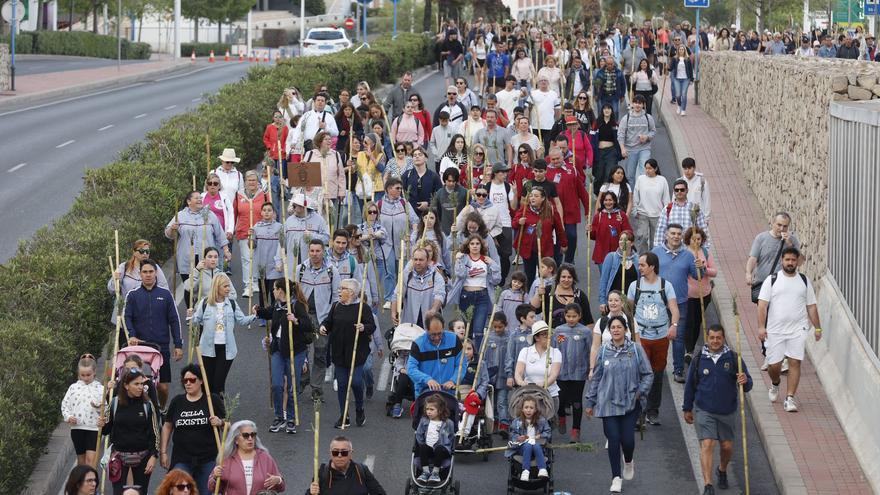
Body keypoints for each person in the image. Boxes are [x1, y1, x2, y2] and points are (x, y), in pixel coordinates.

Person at [585, 315, 653, 494]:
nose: (615, 330)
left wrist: (640, 392)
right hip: (607, 403)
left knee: (628, 441)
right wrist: (590, 401)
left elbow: (648, 374)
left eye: (618, 327)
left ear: (625, 330)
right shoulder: (603, 350)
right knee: (614, 439)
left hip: (630, 402)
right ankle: (616, 477)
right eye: (612, 328)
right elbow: (597, 377)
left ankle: (628, 461)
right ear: (609, 331)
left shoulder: (636, 349)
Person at [683, 324, 753, 495]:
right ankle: (708, 484)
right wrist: (687, 408)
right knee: (707, 443)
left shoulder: (733, 359)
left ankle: (722, 469)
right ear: (707, 338)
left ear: (723, 338)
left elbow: (748, 384)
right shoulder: (699, 359)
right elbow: (690, 385)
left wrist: (745, 380)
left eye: (718, 338)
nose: (715, 341)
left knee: (727, 447)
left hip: (727, 411)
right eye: (712, 337)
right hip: (704, 409)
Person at [758, 247, 821, 413]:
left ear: (797, 261)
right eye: (787, 260)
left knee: (795, 362)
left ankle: (790, 398)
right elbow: (762, 306)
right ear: (782, 261)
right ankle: (775, 383)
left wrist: (817, 327)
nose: (790, 263)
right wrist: (761, 327)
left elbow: (812, 306)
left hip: (798, 329)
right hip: (775, 330)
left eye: (793, 260)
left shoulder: (804, 281)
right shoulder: (771, 280)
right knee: (774, 366)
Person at [255, 279, 313, 434]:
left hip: (295, 351)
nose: (272, 291)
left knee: (292, 387)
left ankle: (291, 418)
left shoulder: (296, 306)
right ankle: (279, 417)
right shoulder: (277, 305)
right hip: (278, 349)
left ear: (280, 290)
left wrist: (295, 320)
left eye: (274, 289)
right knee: (277, 385)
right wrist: (258, 310)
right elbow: (268, 313)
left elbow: (308, 326)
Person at [627, 252, 679, 425]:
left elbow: (674, 309)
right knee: (640, 374)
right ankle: (638, 411)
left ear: (652, 267)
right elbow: (628, 310)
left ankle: (653, 410)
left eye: (642, 265)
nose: (639, 267)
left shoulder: (666, 286)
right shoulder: (635, 286)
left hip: (660, 336)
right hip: (641, 337)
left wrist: (674, 326)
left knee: (657, 374)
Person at [124, 259, 183, 407]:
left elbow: (174, 320)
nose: (148, 275)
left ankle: (161, 409)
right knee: (140, 385)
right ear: (140, 274)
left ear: (156, 273)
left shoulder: (166, 295)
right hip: (139, 348)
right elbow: (127, 317)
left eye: (151, 271)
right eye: (145, 272)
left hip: (160, 348)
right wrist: (131, 334)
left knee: (162, 387)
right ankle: (143, 413)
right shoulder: (132, 295)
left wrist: (178, 344)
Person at [160, 364, 225, 495]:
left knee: (207, 491)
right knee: (178, 490)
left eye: (192, 380)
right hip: (182, 458)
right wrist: (163, 452)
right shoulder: (177, 401)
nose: (188, 383)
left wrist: (220, 422)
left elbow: (228, 425)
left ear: (201, 381)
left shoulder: (213, 400)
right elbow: (167, 426)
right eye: (185, 381)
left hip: (208, 458)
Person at [189, 273, 257, 395]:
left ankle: (220, 412)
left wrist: (255, 315)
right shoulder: (205, 303)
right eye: (225, 286)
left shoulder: (232, 303)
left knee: (218, 384)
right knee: (207, 384)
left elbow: (242, 320)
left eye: (228, 286)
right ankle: (209, 412)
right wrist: (190, 315)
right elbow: (196, 320)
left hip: (226, 350)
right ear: (217, 287)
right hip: (207, 349)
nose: (228, 289)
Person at [98, 368, 160, 495]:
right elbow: (106, 430)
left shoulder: (147, 405)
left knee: (141, 492)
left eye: (142, 384)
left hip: (143, 456)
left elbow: (155, 432)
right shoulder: (114, 403)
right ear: (126, 385)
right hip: (119, 456)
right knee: (118, 493)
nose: (140, 387)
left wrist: (154, 456)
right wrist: (101, 424)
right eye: (136, 384)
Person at [653, 224, 702, 383]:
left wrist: (699, 267)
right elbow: (646, 274)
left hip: (680, 302)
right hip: (658, 302)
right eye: (672, 233)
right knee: (656, 335)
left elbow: (697, 276)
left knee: (678, 337)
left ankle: (678, 370)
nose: (675, 236)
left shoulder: (688, 255)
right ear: (666, 235)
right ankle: (653, 368)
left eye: (678, 234)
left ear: (682, 237)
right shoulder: (655, 253)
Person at [166, 191, 231, 305]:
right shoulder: (180, 215)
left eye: (200, 198)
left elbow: (220, 234)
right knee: (189, 286)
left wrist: (226, 250)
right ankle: (191, 314)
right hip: (186, 258)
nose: (200, 199)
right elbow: (169, 235)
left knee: (207, 285)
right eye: (196, 198)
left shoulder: (209, 214)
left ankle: (205, 311)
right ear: (189, 201)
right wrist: (172, 228)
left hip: (206, 257)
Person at [208, 421, 285, 495]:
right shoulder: (226, 459)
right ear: (236, 440)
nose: (250, 438)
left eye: (253, 434)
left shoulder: (265, 458)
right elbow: (213, 488)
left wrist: (278, 480)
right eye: (246, 435)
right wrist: (214, 477)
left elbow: (281, 487)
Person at [513, 187, 567, 288]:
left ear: (543, 198)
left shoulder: (550, 210)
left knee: (546, 276)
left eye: (536, 196)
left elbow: (559, 228)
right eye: (531, 196)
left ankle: (546, 297)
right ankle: (529, 297)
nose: (532, 198)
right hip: (528, 250)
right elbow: (514, 224)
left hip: (545, 249)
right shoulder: (525, 209)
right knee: (529, 275)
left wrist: (564, 243)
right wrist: (519, 222)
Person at [108, 239, 169, 325]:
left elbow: (164, 289)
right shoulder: (124, 267)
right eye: (141, 251)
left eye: (147, 251)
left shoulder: (154, 268)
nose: (145, 254)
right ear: (134, 252)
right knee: (125, 338)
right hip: (125, 316)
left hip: (146, 316)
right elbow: (112, 290)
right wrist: (115, 280)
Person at [552, 303, 590, 442]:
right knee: (561, 399)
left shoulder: (585, 332)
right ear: (564, 316)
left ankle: (576, 430)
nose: (571, 319)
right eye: (568, 316)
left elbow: (590, 350)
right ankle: (561, 416)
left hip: (579, 373)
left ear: (579, 316)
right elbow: (554, 349)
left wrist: (590, 368)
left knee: (577, 402)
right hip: (562, 372)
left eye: (574, 316)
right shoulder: (559, 331)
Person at [746, 212, 800, 308]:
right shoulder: (761, 238)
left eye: (785, 226)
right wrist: (748, 273)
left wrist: (789, 245)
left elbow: (800, 262)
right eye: (779, 225)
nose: (781, 229)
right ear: (773, 223)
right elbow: (753, 258)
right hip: (763, 285)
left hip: (784, 287)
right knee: (764, 316)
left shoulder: (792, 240)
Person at [233, 171, 271, 296]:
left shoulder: (263, 194)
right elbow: (234, 213)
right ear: (245, 181)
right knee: (246, 258)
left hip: (261, 231)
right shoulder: (239, 195)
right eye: (249, 180)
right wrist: (232, 229)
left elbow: (270, 210)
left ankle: (256, 282)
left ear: (257, 181)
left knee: (258, 258)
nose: (251, 182)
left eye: (254, 180)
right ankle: (248, 284)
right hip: (244, 231)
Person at [407, 313, 464, 397]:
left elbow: (461, 364)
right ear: (426, 329)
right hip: (426, 390)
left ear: (443, 327)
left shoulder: (454, 339)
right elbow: (411, 369)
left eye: (440, 333)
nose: (437, 337)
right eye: (433, 334)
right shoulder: (418, 344)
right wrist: (427, 380)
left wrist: (453, 380)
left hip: (449, 390)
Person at [61, 354, 103, 467]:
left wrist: (99, 408)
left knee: (91, 461)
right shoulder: (73, 388)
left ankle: (91, 483)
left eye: (88, 375)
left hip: (94, 428)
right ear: (79, 374)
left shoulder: (100, 389)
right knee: (81, 461)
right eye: (82, 375)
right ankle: (81, 483)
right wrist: (69, 417)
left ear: (94, 372)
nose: (85, 378)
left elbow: (106, 409)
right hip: (77, 428)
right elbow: (65, 405)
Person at [308, 436, 387, 494]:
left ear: (351, 453)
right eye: (335, 452)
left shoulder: (362, 470)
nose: (339, 456)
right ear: (330, 453)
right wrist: (310, 493)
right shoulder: (322, 473)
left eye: (344, 452)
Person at [683, 227, 717, 364]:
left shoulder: (705, 252)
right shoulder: (684, 253)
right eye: (693, 239)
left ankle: (693, 346)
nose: (696, 242)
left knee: (698, 321)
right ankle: (688, 350)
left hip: (704, 294)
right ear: (688, 240)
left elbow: (714, 272)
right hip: (689, 295)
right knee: (689, 322)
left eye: (699, 239)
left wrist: (704, 268)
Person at [391, 247, 446, 328]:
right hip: (410, 322)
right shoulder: (406, 275)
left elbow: (439, 295)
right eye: (415, 259)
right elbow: (397, 295)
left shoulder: (436, 276)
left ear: (428, 261)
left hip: (430, 323)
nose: (418, 262)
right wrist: (393, 312)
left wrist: (433, 310)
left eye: (421, 260)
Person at [654, 178, 710, 248]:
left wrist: (706, 249)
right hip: (672, 250)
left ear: (687, 191)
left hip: (690, 249)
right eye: (676, 190)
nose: (679, 192)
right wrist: (658, 248)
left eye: (682, 190)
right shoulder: (667, 209)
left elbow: (703, 230)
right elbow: (661, 230)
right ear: (674, 192)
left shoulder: (694, 208)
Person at [505, 396, 551, 481]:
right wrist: (518, 438)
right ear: (522, 409)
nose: (528, 410)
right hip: (523, 447)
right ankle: (525, 471)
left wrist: (539, 436)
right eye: (526, 407)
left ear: (535, 410)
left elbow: (548, 433)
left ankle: (542, 469)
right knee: (528, 445)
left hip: (538, 446)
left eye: (531, 408)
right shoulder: (517, 422)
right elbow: (512, 434)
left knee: (536, 445)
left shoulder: (542, 421)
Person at [413, 393, 456, 484]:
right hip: (428, 449)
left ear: (440, 410)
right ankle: (425, 472)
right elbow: (419, 433)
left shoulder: (448, 423)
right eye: (427, 409)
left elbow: (451, 436)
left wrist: (448, 446)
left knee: (440, 448)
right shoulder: (424, 420)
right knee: (423, 447)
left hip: (442, 450)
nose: (428, 412)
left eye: (431, 409)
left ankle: (435, 473)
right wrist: (421, 444)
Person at [514, 320, 562, 401]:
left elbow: (554, 375)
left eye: (549, 334)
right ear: (536, 338)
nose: (548, 337)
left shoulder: (555, 352)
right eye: (544, 335)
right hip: (529, 395)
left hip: (549, 395)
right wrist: (521, 383)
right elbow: (518, 373)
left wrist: (543, 384)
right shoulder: (525, 351)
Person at [617, 95, 655, 188]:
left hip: (644, 148)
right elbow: (620, 134)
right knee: (630, 175)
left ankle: (642, 194)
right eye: (636, 103)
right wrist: (622, 149)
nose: (637, 105)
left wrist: (647, 137)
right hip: (630, 149)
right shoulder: (626, 118)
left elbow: (653, 131)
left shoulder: (648, 117)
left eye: (640, 103)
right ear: (632, 104)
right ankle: (632, 196)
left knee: (644, 173)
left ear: (643, 105)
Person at [632, 159, 669, 254]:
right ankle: (642, 258)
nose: (647, 170)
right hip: (643, 213)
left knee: (655, 240)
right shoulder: (641, 179)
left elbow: (666, 198)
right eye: (646, 168)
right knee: (642, 236)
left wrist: (667, 214)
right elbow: (636, 194)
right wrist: (635, 209)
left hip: (657, 215)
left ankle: (654, 258)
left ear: (655, 169)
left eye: (650, 168)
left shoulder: (662, 180)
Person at [598, 230, 639, 313]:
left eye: (625, 240)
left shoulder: (638, 259)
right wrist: (602, 301)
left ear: (631, 243)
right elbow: (604, 280)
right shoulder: (611, 257)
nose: (622, 242)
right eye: (620, 239)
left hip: (630, 302)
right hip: (613, 301)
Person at [590, 191, 633, 266]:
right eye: (606, 200)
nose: (608, 202)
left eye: (610, 200)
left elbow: (629, 233)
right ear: (603, 202)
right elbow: (593, 236)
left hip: (618, 253)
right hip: (602, 254)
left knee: (615, 277)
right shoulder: (598, 216)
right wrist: (589, 230)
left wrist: (621, 222)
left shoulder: (621, 214)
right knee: (604, 277)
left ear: (614, 201)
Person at [528, 76, 561, 152]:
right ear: (538, 83)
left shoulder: (553, 94)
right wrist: (528, 120)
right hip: (535, 125)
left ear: (548, 82)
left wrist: (557, 122)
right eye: (541, 80)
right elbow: (528, 108)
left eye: (545, 80)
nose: (543, 82)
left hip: (549, 125)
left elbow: (557, 109)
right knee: (536, 148)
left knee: (548, 147)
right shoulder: (533, 93)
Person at [678, 157, 711, 225]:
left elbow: (707, 200)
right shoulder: (679, 182)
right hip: (683, 219)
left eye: (689, 168)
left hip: (699, 219)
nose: (687, 171)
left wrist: (706, 218)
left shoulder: (702, 181)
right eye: (685, 169)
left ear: (694, 168)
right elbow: (674, 200)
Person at [668, 45, 694, 115]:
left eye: (682, 49)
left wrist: (692, 79)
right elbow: (671, 68)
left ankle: (683, 110)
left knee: (684, 94)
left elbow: (691, 70)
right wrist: (667, 68)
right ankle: (679, 106)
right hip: (677, 79)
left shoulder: (688, 59)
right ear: (678, 51)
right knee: (678, 95)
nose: (681, 51)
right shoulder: (675, 59)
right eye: (680, 49)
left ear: (684, 51)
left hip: (686, 79)